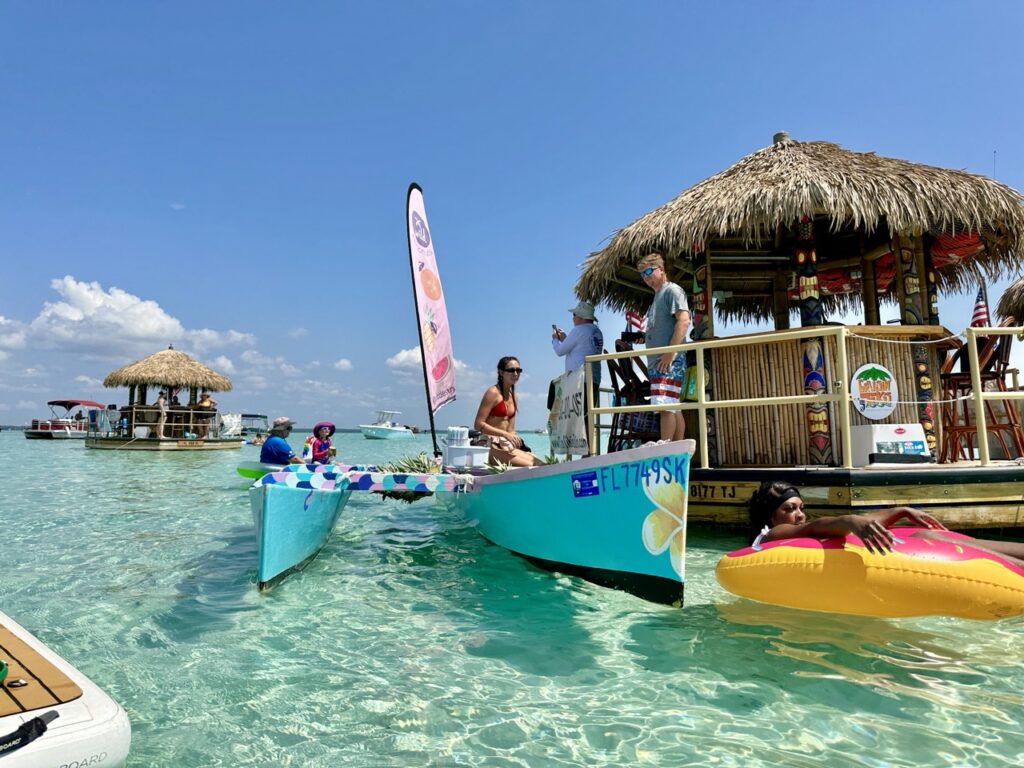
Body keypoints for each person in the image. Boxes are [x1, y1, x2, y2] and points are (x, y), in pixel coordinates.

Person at [748, 479, 1024, 566]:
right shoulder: (772, 535)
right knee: (939, 543)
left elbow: (862, 523)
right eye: (789, 508)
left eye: (801, 508)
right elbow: (810, 528)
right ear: (771, 515)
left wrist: (900, 510)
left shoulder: (790, 530)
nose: (799, 514)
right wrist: (850, 519)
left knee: (934, 538)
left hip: (901, 550)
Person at [637, 253, 690, 442]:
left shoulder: (672, 291)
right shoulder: (657, 296)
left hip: (667, 360)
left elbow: (684, 321)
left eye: (649, 271)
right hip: (658, 360)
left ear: (661, 269)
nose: (646, 277)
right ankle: (677, 448)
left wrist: (670, 353)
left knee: (665, 406)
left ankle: (665, 447)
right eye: (642, 274)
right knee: (672, 405)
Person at [473, 356, 544, 468]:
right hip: (489, 445)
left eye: (518, 370)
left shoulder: (514, 397)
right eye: (511, 370)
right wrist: (504, 434)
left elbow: (510, 430)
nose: (515, 373)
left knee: (541, 464)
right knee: (532, 465)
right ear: (501, 372)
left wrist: (515, 440)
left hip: (505, 444)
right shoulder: (493, 392)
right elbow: (478, 424)